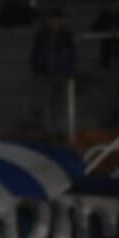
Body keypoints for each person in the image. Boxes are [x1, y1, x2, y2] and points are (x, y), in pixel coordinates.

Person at [30, 9, 75, 140]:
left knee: (60, 103)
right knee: (47, 102)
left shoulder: (66, 36)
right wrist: (38, 68)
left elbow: (72, 55)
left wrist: (70, 71)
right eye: (52, 19)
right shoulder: (41, 35)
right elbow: (35, 54)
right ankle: (47, 130)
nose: (55, 22)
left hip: (61, 73)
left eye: (57, 19)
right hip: (45, 73)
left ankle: (60, 129)